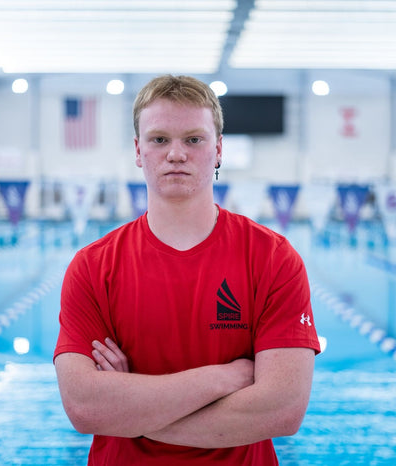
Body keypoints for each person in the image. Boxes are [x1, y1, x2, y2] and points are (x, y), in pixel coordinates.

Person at [54, 74, 320, 465]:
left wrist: (130, 410)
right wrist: (225, 378)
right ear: (138, 150)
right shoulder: (93, 267)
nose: (176, 154)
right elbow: (84, 408)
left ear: (218, 150)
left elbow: (282, 410)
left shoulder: (273, 258)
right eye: (159, 139)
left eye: (193, 139)